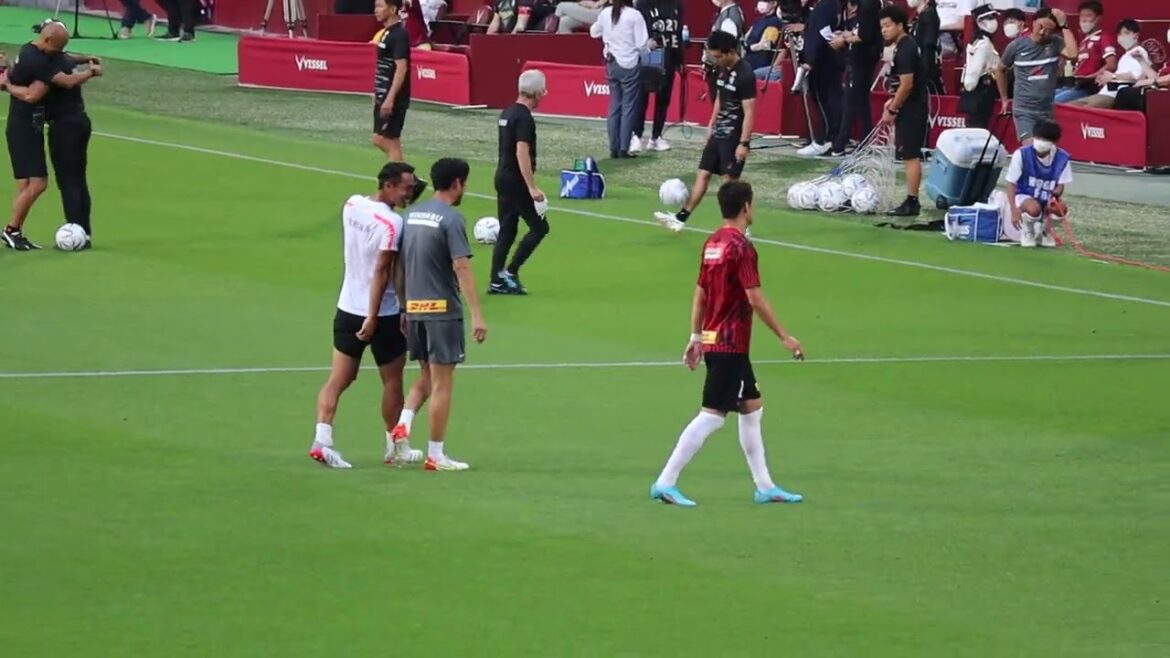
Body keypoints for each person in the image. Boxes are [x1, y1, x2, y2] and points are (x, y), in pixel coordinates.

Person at [649, 180, 805, 508]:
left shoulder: (712, 243)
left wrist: (695, 337)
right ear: (746, 207)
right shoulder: (742, 247)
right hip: (731, 344)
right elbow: (754, 296)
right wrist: (784, 335)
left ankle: (765, 486)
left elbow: (700, 293)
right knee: (713, 415)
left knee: (751, 407)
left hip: (714, 339)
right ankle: (665, 481)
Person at [308, 162, 424, 469]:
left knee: (339, 379)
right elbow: (382, 270)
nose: (409, 193)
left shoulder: (352, 204)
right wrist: (381, 314)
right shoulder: (392, 224)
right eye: (406, 187)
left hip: (346, 306)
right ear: (388, 185)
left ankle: (322, 441)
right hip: (379, 314)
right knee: (392, 381)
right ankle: (393, 446)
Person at [392, 158, 488, 472]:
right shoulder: (451, 219)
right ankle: (436, 454)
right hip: (442, 311)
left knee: (425, 377)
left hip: (416, 309)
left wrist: (405, 306)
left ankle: (402, 426)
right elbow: (461, 266)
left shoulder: (411, 214)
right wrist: (476, 314)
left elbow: (401, 266)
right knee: (443, 383)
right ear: (458, 183)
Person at [1, 21, 101, 251]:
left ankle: (14, 231)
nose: (60, 53)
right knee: (38, 183)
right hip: (24, 126)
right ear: (47, 41)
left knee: (30, 184)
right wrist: (91, 72)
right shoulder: (37, 62)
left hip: (37, 125)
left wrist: (84, 58)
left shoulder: (44, 53)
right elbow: (35, 95)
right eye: (58, 48)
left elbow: (64, 59)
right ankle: (12, 231)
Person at [655, 30, 756, 233]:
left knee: (730, 185)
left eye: (718, 56)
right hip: (718, 134)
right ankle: (681, 218)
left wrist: (744, 143)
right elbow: (720, 97)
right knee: (703, 175)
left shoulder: (745, 74)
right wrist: (711, 123)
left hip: (733, 137)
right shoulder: (723, 69)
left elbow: (750, 111)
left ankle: (740, 227)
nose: (716, 60)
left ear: (730, 52)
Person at [491, 70, 550, 295]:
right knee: (540, 227)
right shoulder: (524, 118)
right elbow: (521, 152)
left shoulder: (507, 113)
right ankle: (511, 273)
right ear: (536, 92)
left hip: (502, 177)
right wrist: (531, 186)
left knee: (507, 229)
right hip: (516, 181)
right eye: (543, 91)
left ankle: (496, 280)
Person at [995, 8, 1077, 144]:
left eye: (1048, 30)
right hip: (1024, 109)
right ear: (1033, 23)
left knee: (1047, 151)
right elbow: (1000, 70)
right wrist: (1004, 98)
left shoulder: (1055, 42)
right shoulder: (1016, 46)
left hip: (1046, 110)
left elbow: (1073, 54)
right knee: (1032, 148)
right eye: (1040, 27)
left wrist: (1064, 26)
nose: (1042, 32)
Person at [878, 4, 929, 218]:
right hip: (908, 106)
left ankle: (912, 200)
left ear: (900, 25)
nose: (884, 30)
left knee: (910, 155)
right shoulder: (902, 46)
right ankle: (911, 198)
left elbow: (907, 84)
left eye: (888, 26)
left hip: (913, 108)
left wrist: (893, 108)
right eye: (882, 27)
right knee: (908, 154)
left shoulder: (907, 48)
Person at [591, 0, 649, 159]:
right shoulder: (634, 15)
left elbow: (594, 32)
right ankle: (623, 147)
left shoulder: (605, 13)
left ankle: (614, 147)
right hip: (629, 63)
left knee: (614, 105)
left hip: (612, 62)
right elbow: (642, 44)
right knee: (628, 107)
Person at [1004, 119, 1072, 249]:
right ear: (1034, 137)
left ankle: (1045, 230)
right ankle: (1028, 231)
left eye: (1047, 139)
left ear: (1054, 142)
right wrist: (1014, 210)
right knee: (1033, 209)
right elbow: (1011, 183)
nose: (1042, 142)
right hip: (1024, 195)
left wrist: (1055, 196)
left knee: (1061, 210)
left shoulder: (1062, 158)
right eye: (1040, 137)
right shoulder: (1022, 154)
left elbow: (1061, 184)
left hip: (1047, 196)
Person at [830, 0, 881, 157]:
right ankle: (866, 140)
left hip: (863, 60)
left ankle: (840, 144)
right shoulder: (866, 6)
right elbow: (863, 31)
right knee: (861, 101)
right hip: (864, 58)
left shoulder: (869, 5)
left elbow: (865, 35)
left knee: (851, 100)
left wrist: (844, 40)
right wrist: (847, 34)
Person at [632, 0, 683, 152]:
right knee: (642, 97)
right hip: (649, 56)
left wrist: (680, 59)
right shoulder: (643, 4)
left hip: (669, 56)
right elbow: (637, 30)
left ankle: (656, 137)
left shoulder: (677, 4)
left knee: (663, 98)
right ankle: (636, 135)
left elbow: (678, 32)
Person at [1070, 19, 1154, 110]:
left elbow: (1136, 75)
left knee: (1082, 112)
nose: (1122, 37)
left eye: (1126, 33)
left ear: (1136, 35)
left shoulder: (1139, 52)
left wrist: (1112, 77)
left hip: (1114, 96)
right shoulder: (1125, 55)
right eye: (1120, 34)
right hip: (1104, 93)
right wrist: (1103, 77)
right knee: (1067, 108)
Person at [795, 0, 842, 157]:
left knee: (823, 100)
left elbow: (821, 34)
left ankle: (824, 140)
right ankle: (824, 139)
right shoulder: (827, 5)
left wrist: (811, 60)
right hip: (822, 60)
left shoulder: (826, 6)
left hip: (821, 62)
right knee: (822, 100)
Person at [1055, 1, 1117, 104]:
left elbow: (1111, 64)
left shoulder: (1104, 37)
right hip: (1075, 85)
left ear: (1099, 18)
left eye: (1088, 16)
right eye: (1081, 16)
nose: (1084, 20)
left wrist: (1092, 76)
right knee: (1042, 99)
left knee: (1054, 103)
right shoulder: (1084, 41)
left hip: (1089, 89)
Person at [372, 0, 411, 162]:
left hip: (394, 97)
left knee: (381, 139)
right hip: (383, 93)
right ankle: (405, 181)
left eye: (380, 6)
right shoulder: (386, 32)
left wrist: (390, 98)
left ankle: (409, 180)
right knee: (393, 141)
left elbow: (401, 67)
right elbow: (383, 66)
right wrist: (377, 92)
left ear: (393, 9)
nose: (376, 10)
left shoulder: (399, 34)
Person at [958, 3, 1001, 129]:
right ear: (979, 22)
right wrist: (970, 88)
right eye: (989, 18)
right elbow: (973, 71)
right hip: (981, 90)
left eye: (993, 17)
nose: (993, 21)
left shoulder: (987, 42)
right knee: (977, 127)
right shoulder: (982, 44)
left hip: (985, 91)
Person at [908, 0, 944, 95]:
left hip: (926, 71)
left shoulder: (929, 15)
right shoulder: (920, 16)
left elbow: (929, 46)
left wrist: (923, 73)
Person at [745, 0, 785, 83]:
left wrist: (748, 47)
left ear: (774, 3)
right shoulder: (758, 20)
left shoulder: (774, 22)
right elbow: (746, 37)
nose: (761, 3)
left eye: (765, 1)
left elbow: (766, 44)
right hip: (750, 61)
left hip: (763, 62)